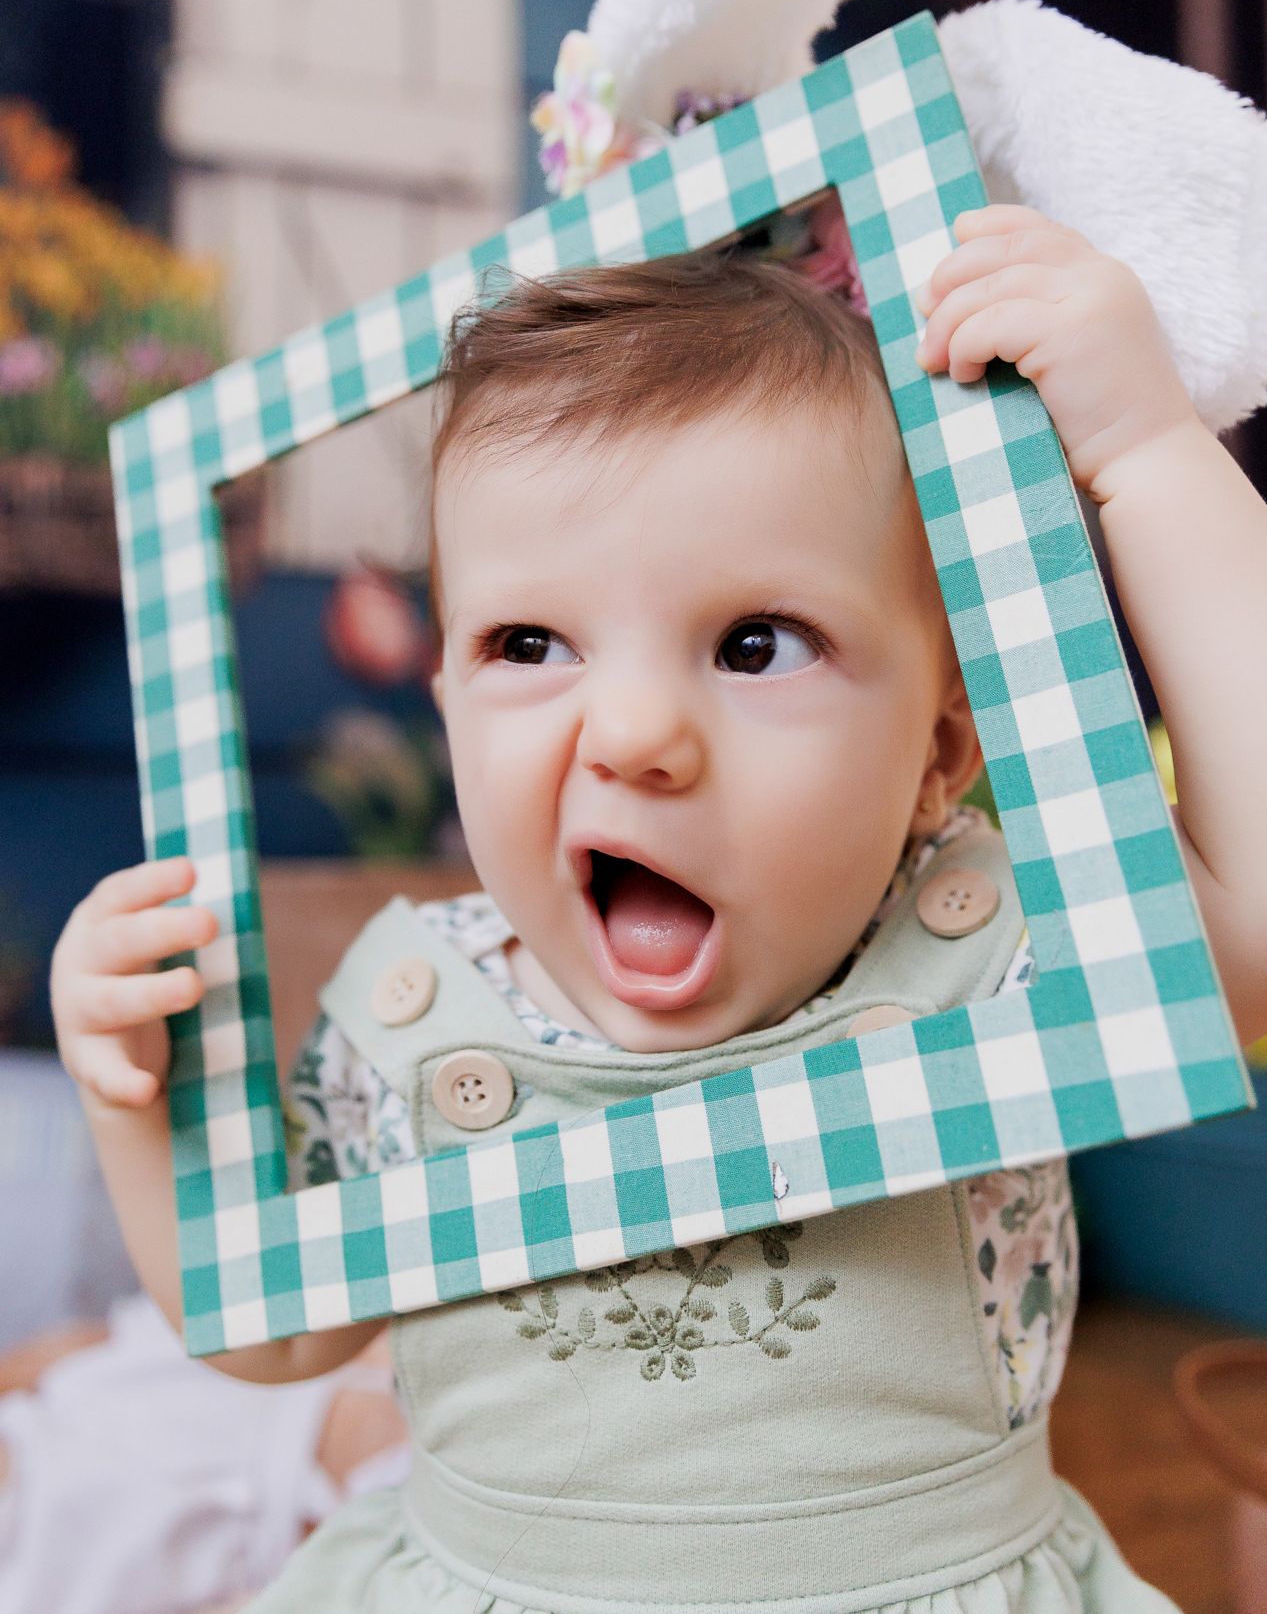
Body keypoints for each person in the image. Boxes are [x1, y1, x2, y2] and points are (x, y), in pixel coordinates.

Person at [50, 207, 1267, 1612]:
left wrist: (1148, 455)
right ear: (445, 700)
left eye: (755, 644)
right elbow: (261, 1328)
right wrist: (136, 1098)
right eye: (528, 643)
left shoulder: (979, 945)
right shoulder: (417, 1009)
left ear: (939, 752)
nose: (633, 730)